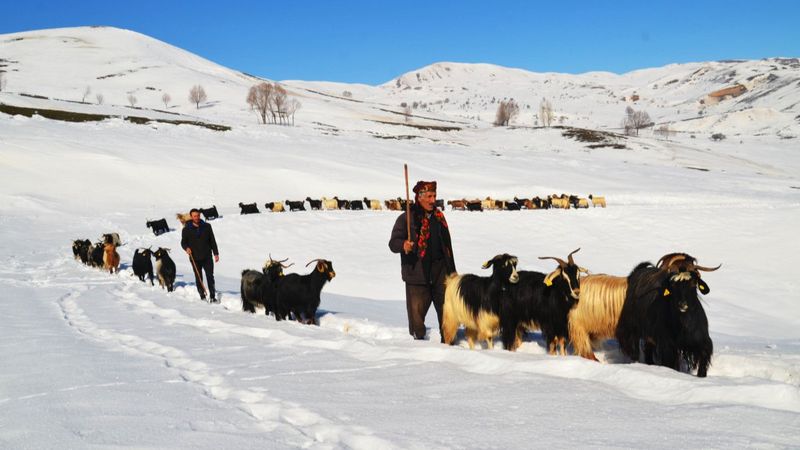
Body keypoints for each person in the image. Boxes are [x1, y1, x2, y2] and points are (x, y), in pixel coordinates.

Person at [389, 180, 456, 340]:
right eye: (429, 196)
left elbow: (447, 247)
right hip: (417, 273)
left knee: (447, 313)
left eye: (434, 196)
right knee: (416, 322)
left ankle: (448, 344)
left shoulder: (439, 217)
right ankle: (418, 348)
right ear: (419, 197)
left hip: (441, 272)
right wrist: (404, 245)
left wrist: (452, 271)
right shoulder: (406, 218)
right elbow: (393, 243)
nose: (433, 200)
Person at [181, 208, 220, 302]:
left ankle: (212, 296)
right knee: (199, 277)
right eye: (194, 216)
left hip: (207, 256)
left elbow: (212, 240)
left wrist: (216, 253)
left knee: (210, 276)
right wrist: (186, 248)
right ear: (191, 217)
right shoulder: (186, 229)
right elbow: (183, 242)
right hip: (194, 257)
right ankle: (202, 295)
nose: (197, 217)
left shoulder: (207, 226)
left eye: (198, 215)